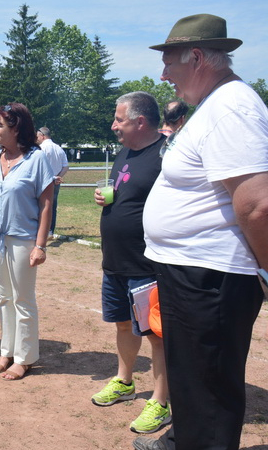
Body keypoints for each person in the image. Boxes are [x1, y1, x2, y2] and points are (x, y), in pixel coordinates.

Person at [134, 14, 268, 450]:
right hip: (193, 275)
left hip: (211, 279)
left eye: (169, 60)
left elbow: (257, 202)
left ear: (196, 57)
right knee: (192, 382)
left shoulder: (232, 106)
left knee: (208, 391)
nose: (163, 73)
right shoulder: (215, 105)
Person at [91, 93, 169, 434]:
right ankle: (125, 383)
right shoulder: (124, 152)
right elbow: (124, 192)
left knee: (156, 336)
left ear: (140, 122)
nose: (113, 125)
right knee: (123, 325)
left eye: (118, 119)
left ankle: (162, 402)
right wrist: (104, 199)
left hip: (147, 265)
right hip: (116, 261)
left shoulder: (167, 155)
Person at [0, 103, 53, 381]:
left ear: (16, 128)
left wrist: (40, 245)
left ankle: (25, 357)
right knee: (3, 297)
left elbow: (46, 205)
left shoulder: (37, 159)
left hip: (23, 239)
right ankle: (7, 351)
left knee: (23, 299)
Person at [36, 127, 69, 239]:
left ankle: (40, 230)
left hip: (44, 181)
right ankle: (50, 230)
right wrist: (59, 176)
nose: (37, 138)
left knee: (40, 206)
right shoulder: (59, 148)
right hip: (55, 182)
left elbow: (40, 166)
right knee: (52, 206)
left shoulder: (41, 148)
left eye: (37, 136)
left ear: (42, 136)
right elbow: (66, 166)